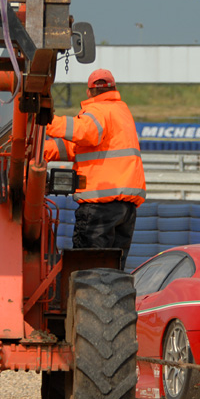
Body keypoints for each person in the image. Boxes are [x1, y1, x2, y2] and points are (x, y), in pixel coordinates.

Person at [45, 69, 145, 269]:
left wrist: (47, 121)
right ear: (114, 89)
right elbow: (79, 146)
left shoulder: (98, 110)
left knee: (88, 271)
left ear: (89, 92)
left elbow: (86, 133)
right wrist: (43, 150)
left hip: (99, 206)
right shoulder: (121, 112)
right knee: (114, 272)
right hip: (125, 209)